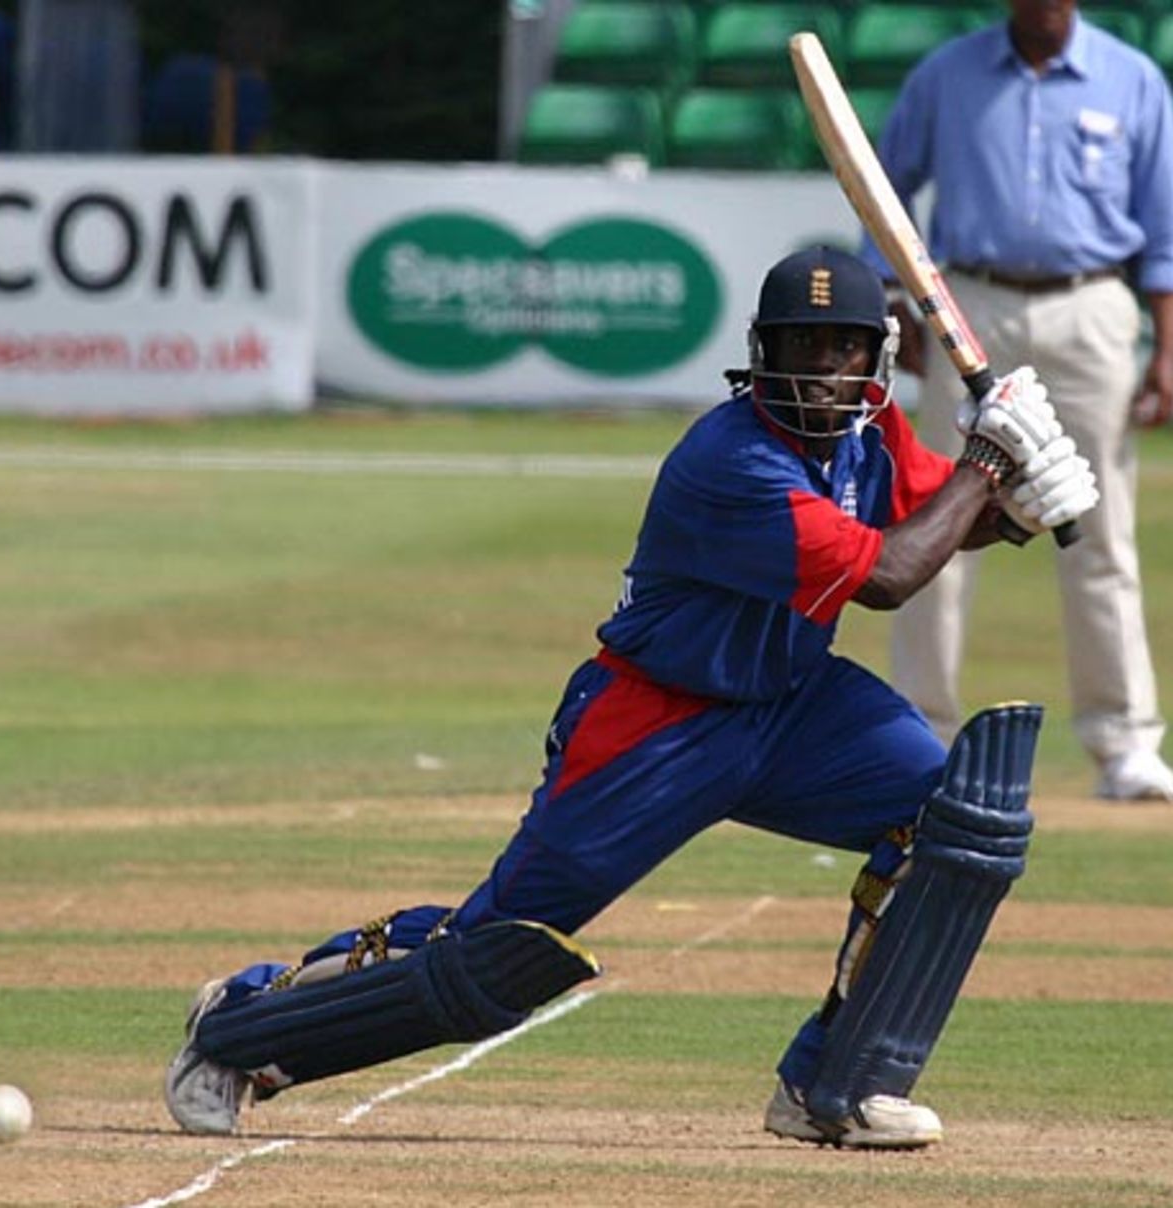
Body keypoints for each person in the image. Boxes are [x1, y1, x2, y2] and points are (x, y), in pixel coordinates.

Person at [163, 247, 1098, 1149]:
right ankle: (246, 1023)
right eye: (801, 349)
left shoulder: (871, 437)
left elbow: (938, 520)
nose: (822, 373)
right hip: (656, 722)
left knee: (953, 820)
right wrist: (988, 463)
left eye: (843, 350)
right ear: (762, 352)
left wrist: (1016, 503)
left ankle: (839, 1087)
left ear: (875, 359)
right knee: (497, 953)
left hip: (793, 705)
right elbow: (892, 574)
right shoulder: (731, 461)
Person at [865, 0, 1173, 800]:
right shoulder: (948, 74)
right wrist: (898, 297)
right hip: (970, 299)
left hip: (1093, 303)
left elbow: (1165, 227)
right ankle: (917, 730)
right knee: (939, 506)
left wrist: (1168, 345)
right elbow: (884, 184)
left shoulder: (1132, 78)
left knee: (1099, 526)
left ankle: (1125, 742)